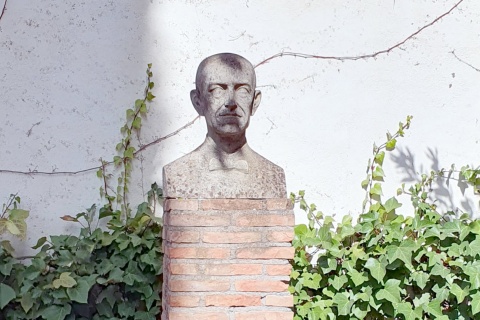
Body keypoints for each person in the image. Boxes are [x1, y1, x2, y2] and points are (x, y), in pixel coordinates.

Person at [163, 53, 286, 199]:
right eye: (217, 90)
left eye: (242, 90)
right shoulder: (178, 173)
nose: (231, 102)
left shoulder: (272, 176)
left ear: (255, 102)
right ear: (198, 102)